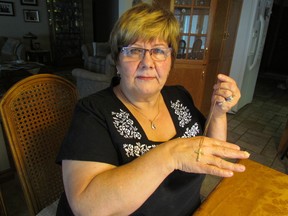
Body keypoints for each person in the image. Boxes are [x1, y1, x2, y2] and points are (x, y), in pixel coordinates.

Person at [56, 3, 250, 216]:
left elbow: (210, 152)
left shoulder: (179, 96)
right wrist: (169, 155)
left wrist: (219, 113)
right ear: (117, 62)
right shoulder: (92, 112)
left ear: (170, 61)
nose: (147, 62)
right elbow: (87, 207)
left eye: (158, 51)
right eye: (134, 51)